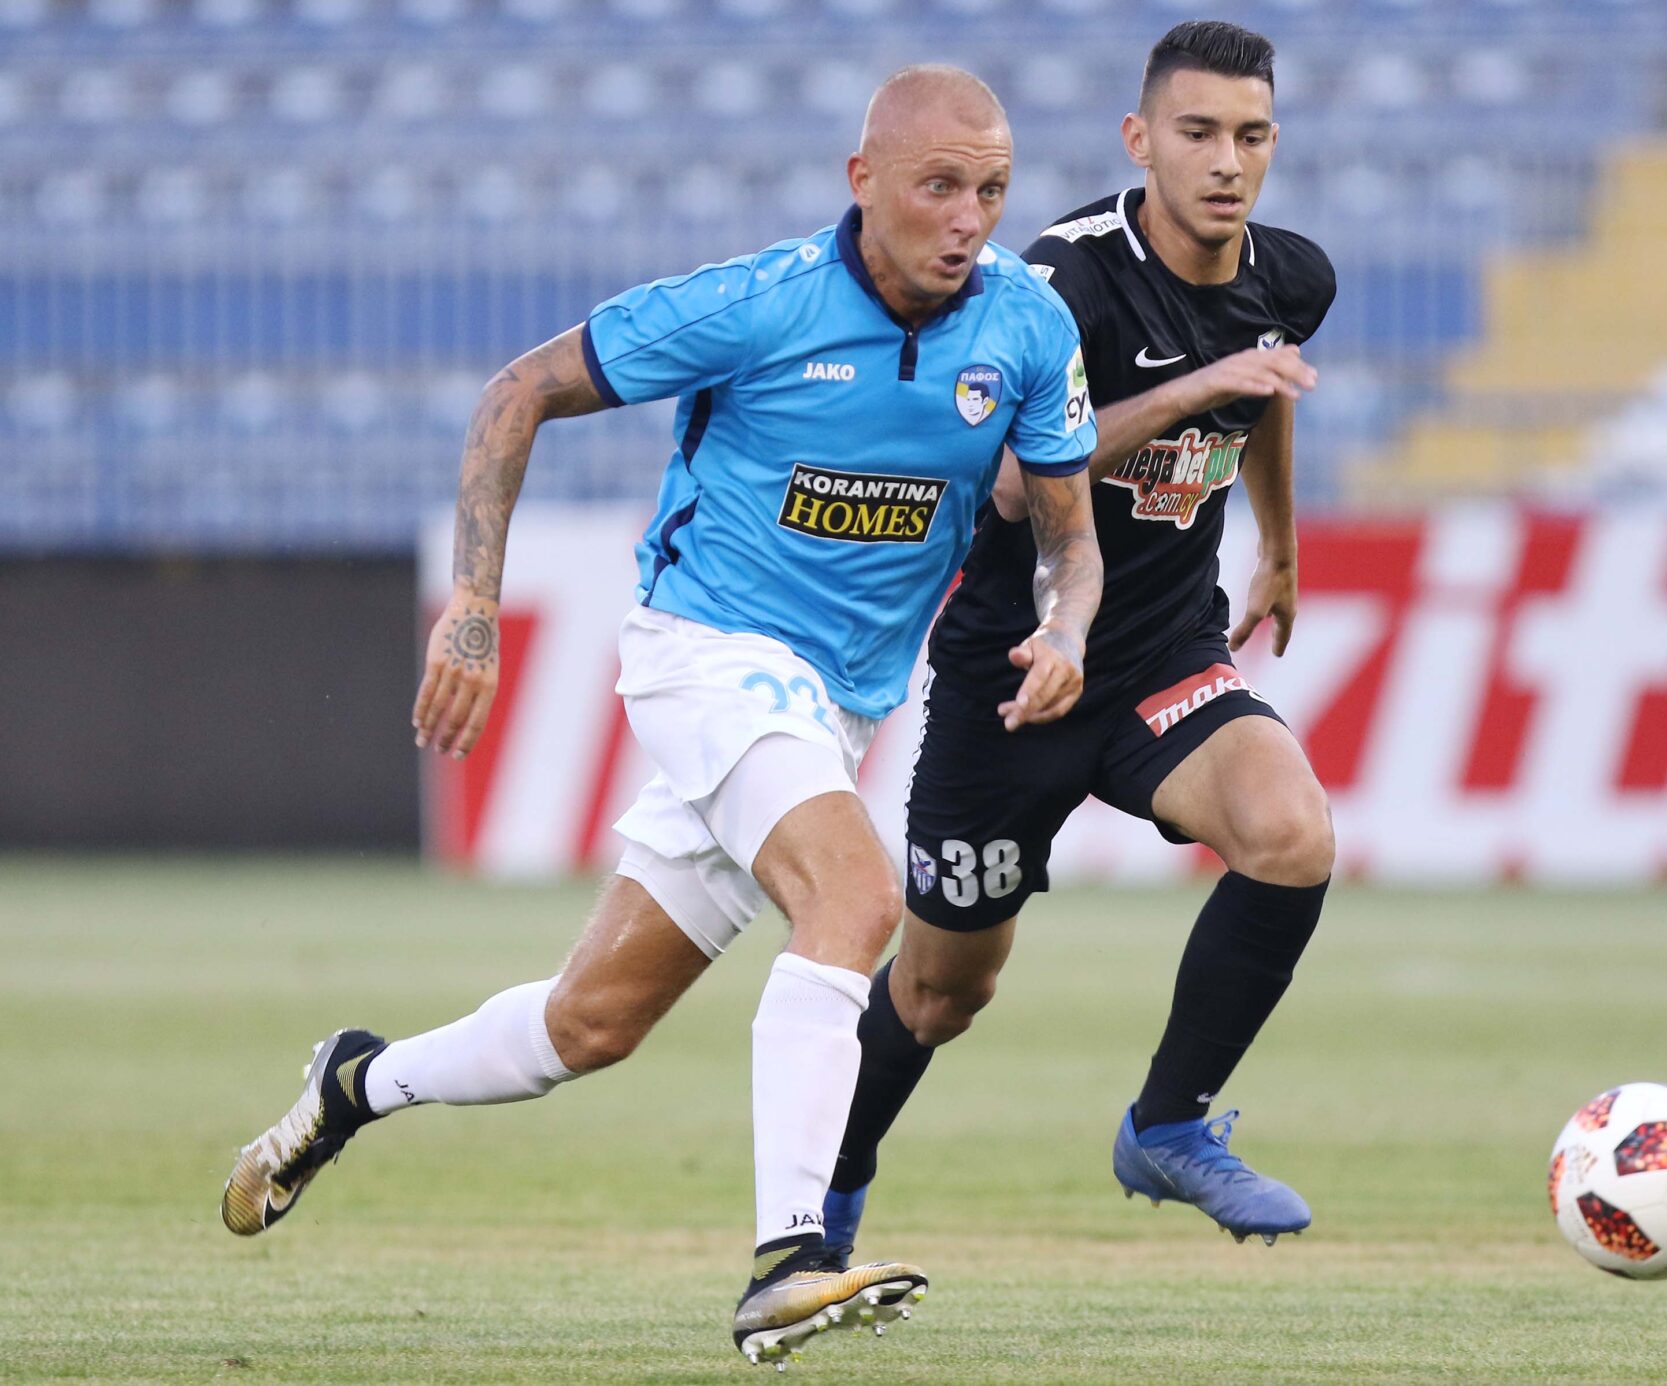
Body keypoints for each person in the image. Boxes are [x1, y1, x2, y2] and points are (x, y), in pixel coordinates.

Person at [219, 65, 1103, 1370]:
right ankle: (789, 1259)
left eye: (991, 190)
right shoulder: (756, 305)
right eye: (939, 187)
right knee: (855, 897)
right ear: (862, 182)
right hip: (707, 654)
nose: (969, 218)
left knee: (589, 1026)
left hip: (835, 706)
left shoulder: (1025, 325)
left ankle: (354, 1082)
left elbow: (1070, 541)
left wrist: (1067, 625)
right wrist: (474, 605)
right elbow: (517, 391)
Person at [826, 21, 1336, 1255]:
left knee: (1290, 835)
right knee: (940, 994)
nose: (1225, 161)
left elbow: (1264, 384)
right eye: (1196, 132)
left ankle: (1166, 1125)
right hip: (1017, 679)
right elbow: (1012, 485)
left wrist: (1275, 541)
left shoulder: (1290, 276)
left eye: (1249, 136)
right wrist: (1194, 388)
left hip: (1164, 657)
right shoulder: (1059, 281)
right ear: (1138, 139)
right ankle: (822, 1194)